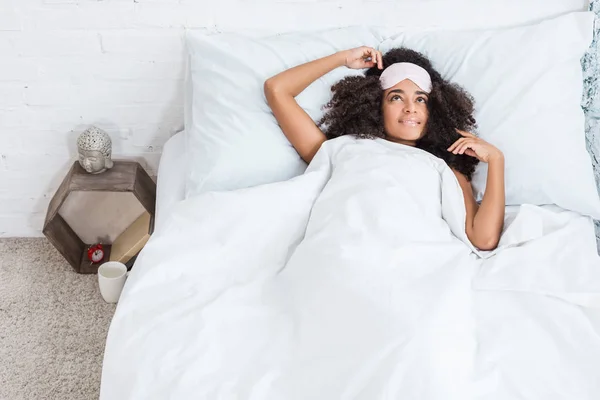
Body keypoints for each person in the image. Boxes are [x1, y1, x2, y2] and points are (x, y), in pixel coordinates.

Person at [264, 46, 505, 251]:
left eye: (421, 99)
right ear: (374, 105)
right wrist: (343, 59)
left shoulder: (442, 167)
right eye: (396, 97)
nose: (411, 108)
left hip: (415, 259)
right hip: (341, 252)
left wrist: (496, 161)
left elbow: (483, 239)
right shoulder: (342, 149)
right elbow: (277, 89)